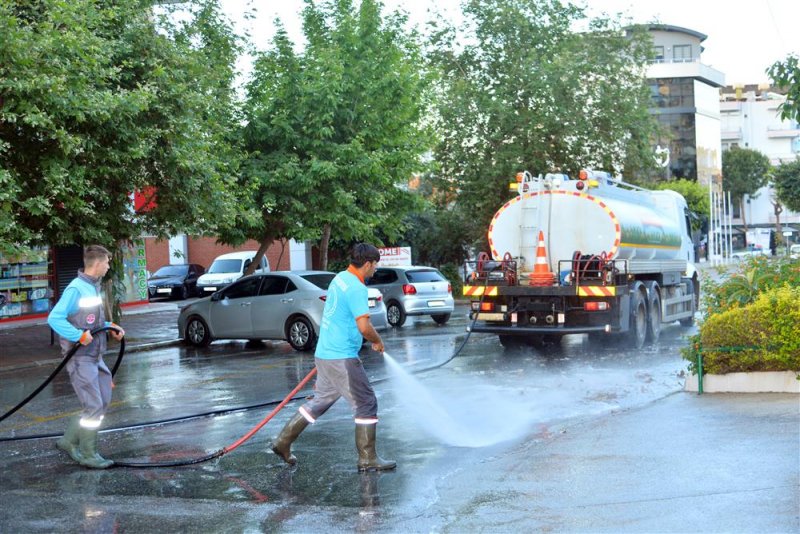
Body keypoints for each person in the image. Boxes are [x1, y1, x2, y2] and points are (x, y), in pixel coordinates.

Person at [271, 243, 395, 471]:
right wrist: (377, 341)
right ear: (368, 264)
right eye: (375, 265)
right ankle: (367, 458)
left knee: (320, 401)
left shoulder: (340, 278)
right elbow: (364, 326)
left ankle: (283, 442)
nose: (376, 269)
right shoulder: (357, 288)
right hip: (341, 356)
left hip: (325, 353)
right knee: (366, 403)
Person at [47, 245, 125, 469]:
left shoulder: (93, 287)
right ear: (98, 263)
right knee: (94, 406)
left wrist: (110, 326)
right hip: (81, 359)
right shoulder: (76, 288)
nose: (108, 266)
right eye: (107, 262)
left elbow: (91, 321)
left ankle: (68, 440)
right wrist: (78, 336)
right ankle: (88, 454)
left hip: (95, 356)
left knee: (103, 401)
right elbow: (54, 318)